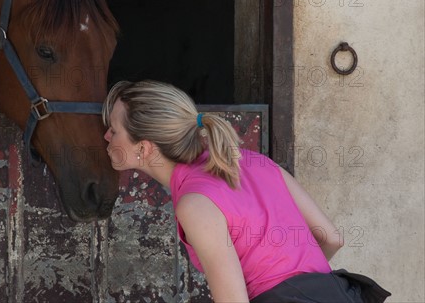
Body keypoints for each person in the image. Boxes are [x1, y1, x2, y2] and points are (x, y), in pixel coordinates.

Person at [102, 80, 390, 303]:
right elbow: (332, 238)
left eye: (114, 131)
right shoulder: (252, 161)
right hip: (340, 294)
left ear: (144, 148)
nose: (106, 136)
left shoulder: (195, 204)